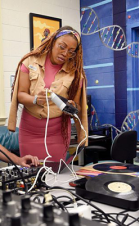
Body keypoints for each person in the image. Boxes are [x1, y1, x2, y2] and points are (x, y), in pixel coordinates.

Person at [8, 26, 88, 163]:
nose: (65, 53)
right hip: (29, 132)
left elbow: (78, 107)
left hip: (57, 134)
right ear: (52, 41)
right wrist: (34, 100)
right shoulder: (29, 61)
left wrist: (72, 107)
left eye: (71, 51)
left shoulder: (75, 74)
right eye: (62, 47)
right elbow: (20, 95)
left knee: (55, 174)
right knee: (31, 173)